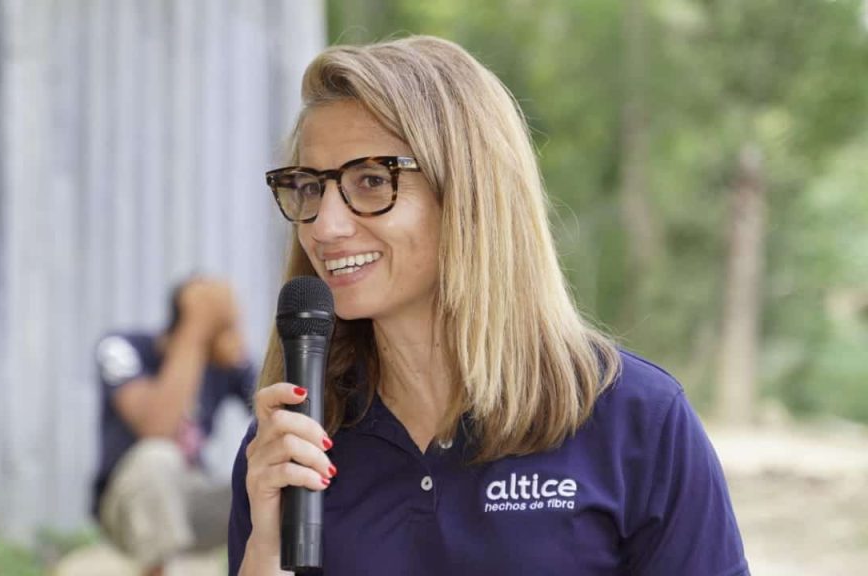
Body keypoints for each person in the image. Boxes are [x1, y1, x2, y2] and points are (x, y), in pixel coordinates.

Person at [227, 35, 749, 575]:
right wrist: (265, 552)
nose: (325, 226)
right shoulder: (291, 443)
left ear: (469, 194)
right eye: (310, 187)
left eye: (372, 181)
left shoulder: (636, 421)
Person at [92, 278, 254, 576]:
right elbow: (157, 428)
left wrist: (238, 353)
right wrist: (195, 331)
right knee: (159, 456)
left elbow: (277, 412)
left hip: (193, 499)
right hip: (129, 504)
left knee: (269, 484)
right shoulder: (123, 347)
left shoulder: (221, 363)